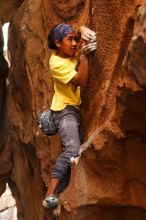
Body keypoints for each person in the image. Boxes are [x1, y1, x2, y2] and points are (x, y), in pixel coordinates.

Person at [43, 23, 96, 209]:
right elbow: (81, 81)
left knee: (71, 153)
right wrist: (84, 58)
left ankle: (60, 193)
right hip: (64, 111)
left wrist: (81, 30)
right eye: (70, 40)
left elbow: (79, 30)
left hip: (72, 110)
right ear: (58, 43)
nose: (75, 43)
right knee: (73, 149)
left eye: (76, 39)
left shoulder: (67, 52)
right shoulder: (56, 63)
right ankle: (49, 195)